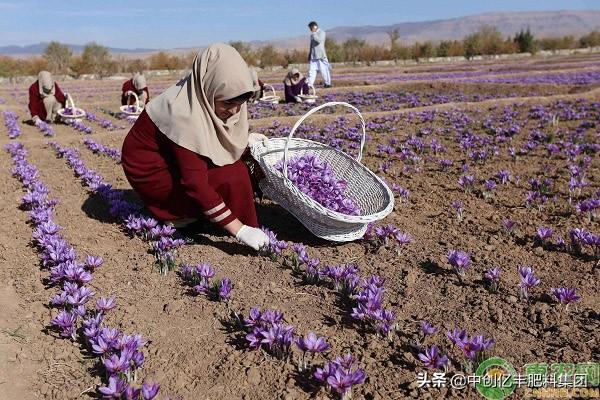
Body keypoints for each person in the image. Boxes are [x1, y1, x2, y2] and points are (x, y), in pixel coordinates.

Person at [121, 43, 271, 251]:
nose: (235, 110)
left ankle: (211, 213)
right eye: (227, 103)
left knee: (241, 163)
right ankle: (179, 217)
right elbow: (195, 183)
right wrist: (240, 230)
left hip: (171, 159)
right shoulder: (184, 115)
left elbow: (214, 143)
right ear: (209, 88)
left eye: (241, 102)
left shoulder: (205, 95)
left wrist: (247, 143)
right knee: (232, 174)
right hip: (154, 174)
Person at [306, 21, 332, 88]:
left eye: (310, 28)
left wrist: (314, 33)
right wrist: (309, 54)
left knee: (323, 70)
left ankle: (327, 83)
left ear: (314, 26)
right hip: (313, 56)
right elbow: (311, 45)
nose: (310, 30)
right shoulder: (312, 34)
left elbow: (319, 41)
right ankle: (309, 84)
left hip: (320, 55)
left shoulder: (322, 32)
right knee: (311, 71)